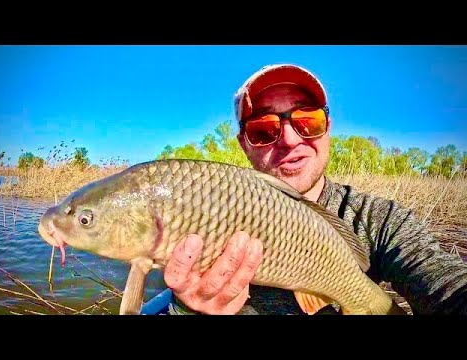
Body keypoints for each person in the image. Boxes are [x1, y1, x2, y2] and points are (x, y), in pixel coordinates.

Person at [162, 63, 467, 315]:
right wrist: (192, 310)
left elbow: (445, 283)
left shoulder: (382, 220)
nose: (290, 140)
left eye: (307, 121)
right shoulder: (206, 217)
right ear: (245, 144)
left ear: (328, 127)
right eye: (263, 130)